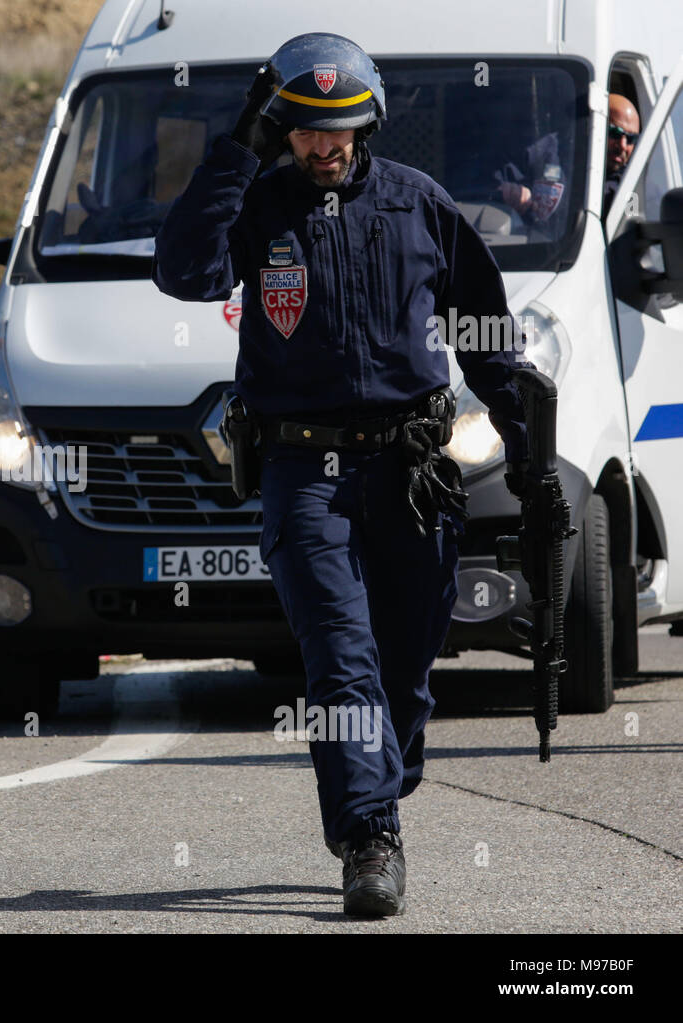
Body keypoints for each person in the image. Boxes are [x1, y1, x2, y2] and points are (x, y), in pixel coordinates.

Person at [152, 33, 531, 917]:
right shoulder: (256, 204)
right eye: (306, 130)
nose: (325, 147)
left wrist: (529, 448)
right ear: (281, 127)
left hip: (410, 472)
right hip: (302, 472)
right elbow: (181, 271)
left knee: (403, 671)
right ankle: (369, 833)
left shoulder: (418, 205)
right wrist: (233, 154)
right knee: (340, 658)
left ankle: (379, 784)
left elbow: (485, 329)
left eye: (343, 130)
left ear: (370, 125)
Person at [602, 93, 639, 216]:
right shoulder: (557, 163)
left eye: (631, 139)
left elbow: (631, 227)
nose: (623, 145)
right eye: (615, 133)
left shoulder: (636, 187)